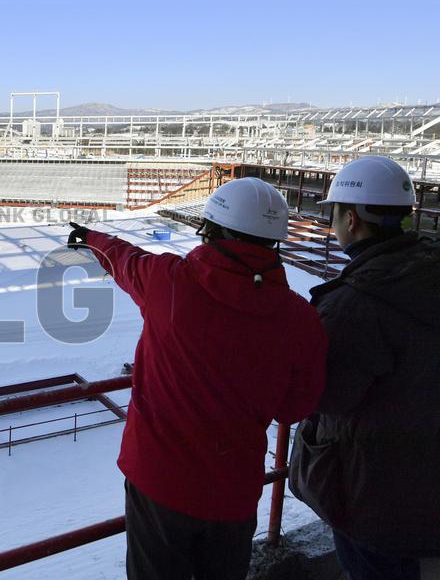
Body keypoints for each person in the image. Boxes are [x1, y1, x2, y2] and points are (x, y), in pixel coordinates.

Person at [68, 177, 326, 579]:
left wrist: (90, 237)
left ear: (213, 231)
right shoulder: (300, 317)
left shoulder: (169, 281)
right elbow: (295, 407)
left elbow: (123, 258)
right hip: (234, 488)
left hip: (159, 481)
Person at [289, 156, 440, 579]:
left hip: (377, 492)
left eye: (333, 214)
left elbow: (324, 394)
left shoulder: (355, 305)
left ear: (351, 219)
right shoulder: (427, 270)